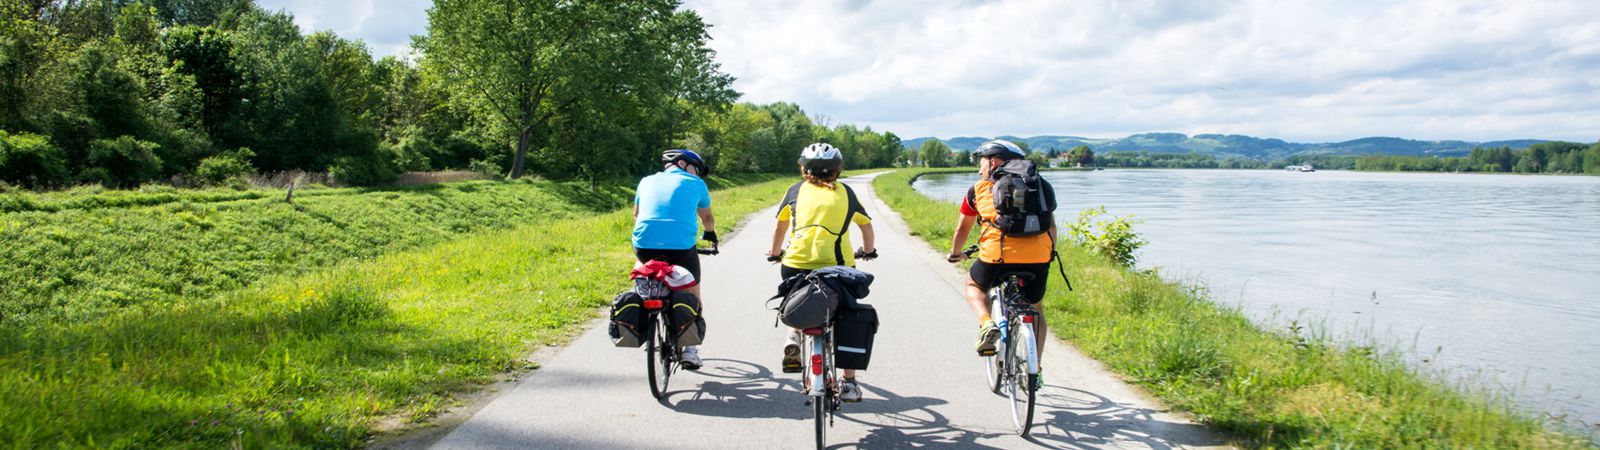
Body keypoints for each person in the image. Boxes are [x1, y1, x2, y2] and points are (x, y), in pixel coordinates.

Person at [766, 143, 876, 403]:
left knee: (795, 300)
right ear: (837, 171)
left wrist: (774, 253)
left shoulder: (794, 191)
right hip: (837, 267)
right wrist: (868, 251)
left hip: (795, 263)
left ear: (804, 169)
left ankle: (792, 333)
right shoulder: (846, 193)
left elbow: (780, 227)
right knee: (844, 317)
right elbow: (866, 227)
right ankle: (849, 383)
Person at [945, 140, 1057, 361]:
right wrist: (1049, 255)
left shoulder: (979, 189)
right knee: (1035, 310)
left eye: (982, 163)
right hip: (1038, 258)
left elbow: (962, 228)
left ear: (993, 161)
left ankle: (987, 323)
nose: (980, 170)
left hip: (996, 256)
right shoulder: (1040, 186)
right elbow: (1051, 226)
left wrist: (955, 253)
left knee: (974, 285)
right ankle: (1036, 369)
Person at [633, 148, 717, 370]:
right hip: (680, 248)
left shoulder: (646, 181)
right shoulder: (695, 183)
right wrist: (710, 233)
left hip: (643, 245)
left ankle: (642, 292)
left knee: (643, 266)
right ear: (683, 164)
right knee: (692, 289)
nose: (697, 174)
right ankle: (690, 350)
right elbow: (707, 217)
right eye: (696, 169)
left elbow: (636, 214)